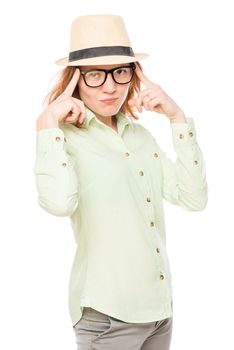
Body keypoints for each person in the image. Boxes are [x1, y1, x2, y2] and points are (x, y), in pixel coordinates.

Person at [33, 14, 208, 350]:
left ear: (134, 74)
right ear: (76, 80)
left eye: (120, 72)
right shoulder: (63, 139)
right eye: (96, 75)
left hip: (160, 314)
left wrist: (177, 118)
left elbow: (193, 198)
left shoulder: (140, 137)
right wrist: (47, 123)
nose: (110, 86)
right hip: (109, 317)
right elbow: (58, 203)